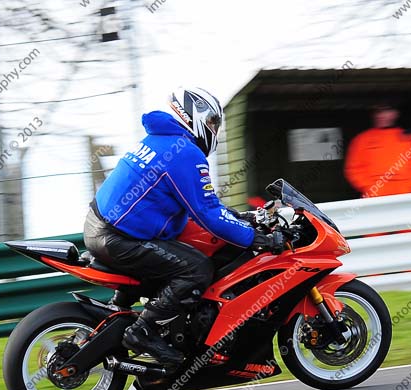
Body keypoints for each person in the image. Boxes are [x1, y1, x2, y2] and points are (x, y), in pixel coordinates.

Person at [84, 87, 278, 367]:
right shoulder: (185, 153)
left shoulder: (161, 141)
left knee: (184, 253)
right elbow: (207, 213)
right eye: (212, 122)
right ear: (193, 116)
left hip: (105, 227)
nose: (214, 129)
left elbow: (201, 204)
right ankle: (143, 331)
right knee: (196, 269)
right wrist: (254, 238)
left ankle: (139, 318)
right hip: (119, 237)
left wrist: (240, 218)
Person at [344, 103, 411, 198]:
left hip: (406, 195)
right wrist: (369, 187)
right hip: (374, 196)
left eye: (386, 111)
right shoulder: (362, 140)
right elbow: (353, 169)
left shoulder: (410, 138)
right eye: (378, 112)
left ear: (395, 113)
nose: (381, 115)